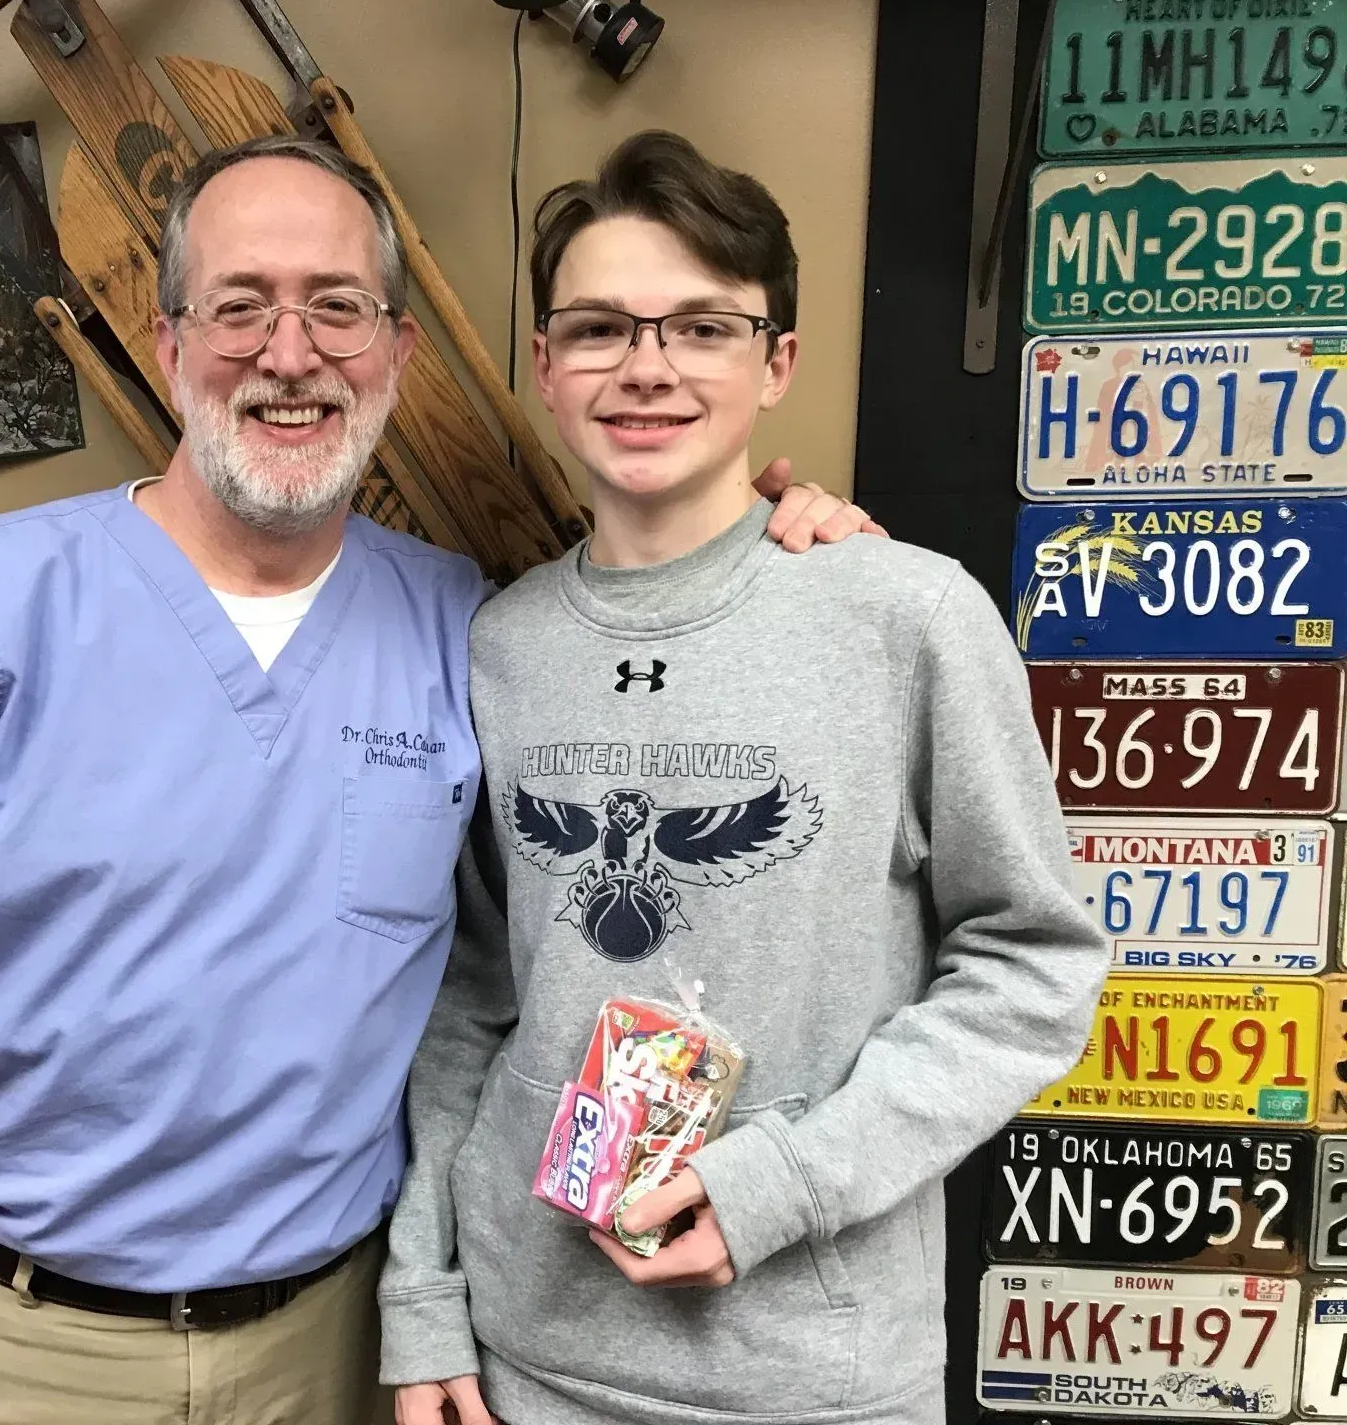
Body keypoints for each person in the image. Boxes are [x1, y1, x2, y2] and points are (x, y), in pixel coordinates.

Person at [0, 133, 871, 1425]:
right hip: (27, 1346)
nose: (289, 355)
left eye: (337, 309)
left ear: (395, 352)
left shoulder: (471, 634)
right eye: (240, 308)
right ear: (168, 348)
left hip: (332, 1347)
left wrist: (793, 552)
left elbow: (660, 726)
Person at [379, 131, 1110, 1425]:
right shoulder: (502, 647)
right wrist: (424, 1301)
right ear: (545, 367)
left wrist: (782, 1184)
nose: (648, 368)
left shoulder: (907, 618)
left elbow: (1034, 965)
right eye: (600, 328)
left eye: (704, 327)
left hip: (809, 1376)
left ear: (777, 362)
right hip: (525, 1361)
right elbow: (469, 998)